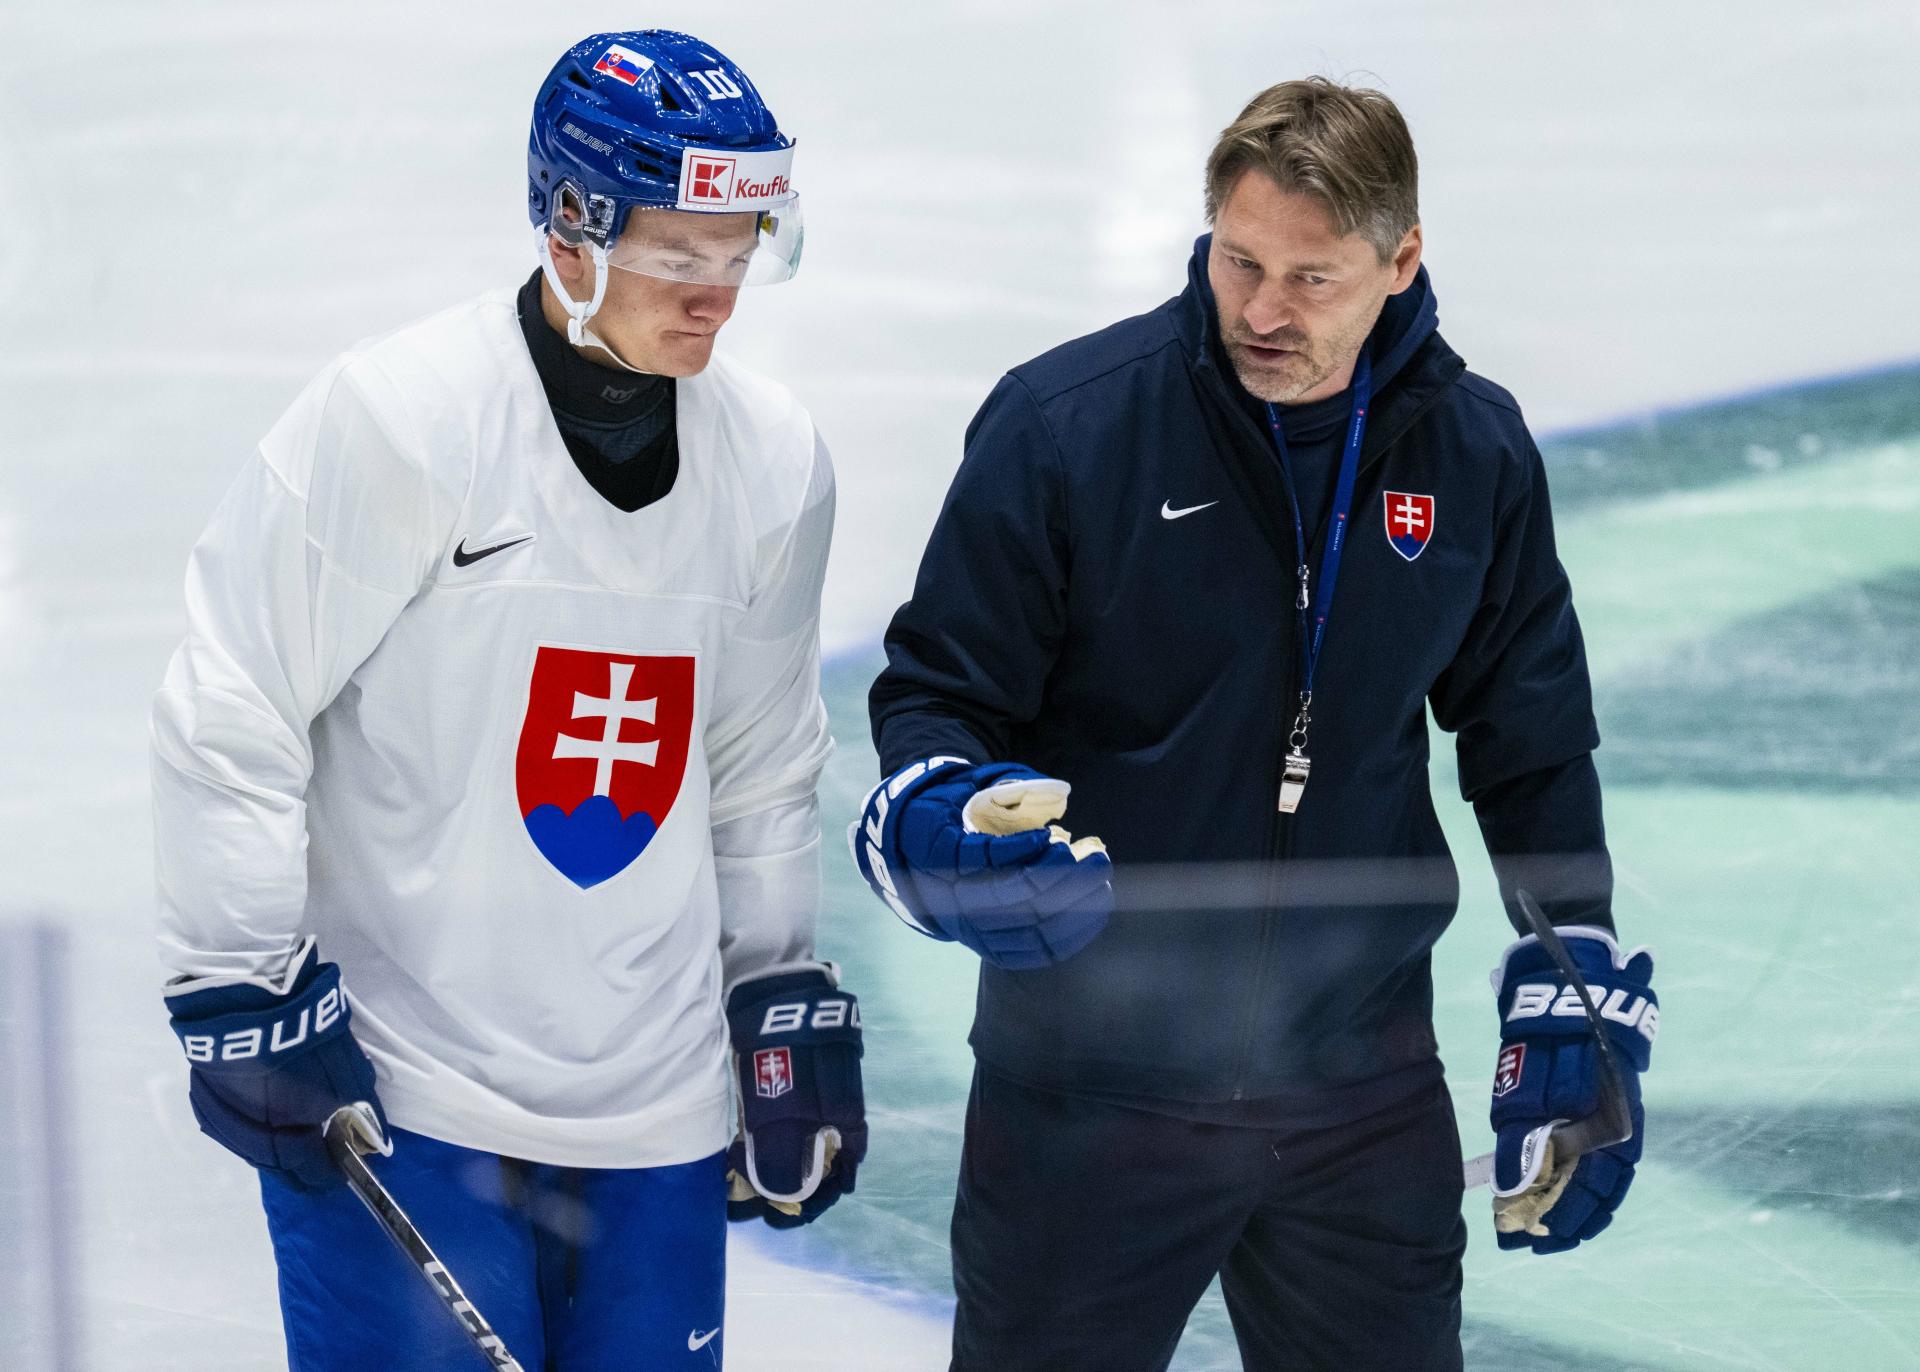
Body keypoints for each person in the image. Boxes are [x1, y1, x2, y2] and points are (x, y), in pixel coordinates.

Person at [852, 78, 1658, 1371]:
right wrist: (941, 811)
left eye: (1314, 277)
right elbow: (941, 690)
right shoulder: (1069, 429)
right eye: (1241, 261)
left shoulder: (1473, 455)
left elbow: (1532, 739)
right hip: (1086, 1095)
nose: (1265, 311)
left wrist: (1577, 967)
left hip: (1359, 1091)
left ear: (1401, 261)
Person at [154, 30, 864, 1370]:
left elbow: (763, 767)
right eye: (680, 254)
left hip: (656, 1115)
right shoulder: (404, 420)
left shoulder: (774, 464)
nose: (717, 294)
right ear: (573, 226)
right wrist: (239, 981)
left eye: (739, 251)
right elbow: (234, 696)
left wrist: (770, 992)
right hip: (408, 1098)